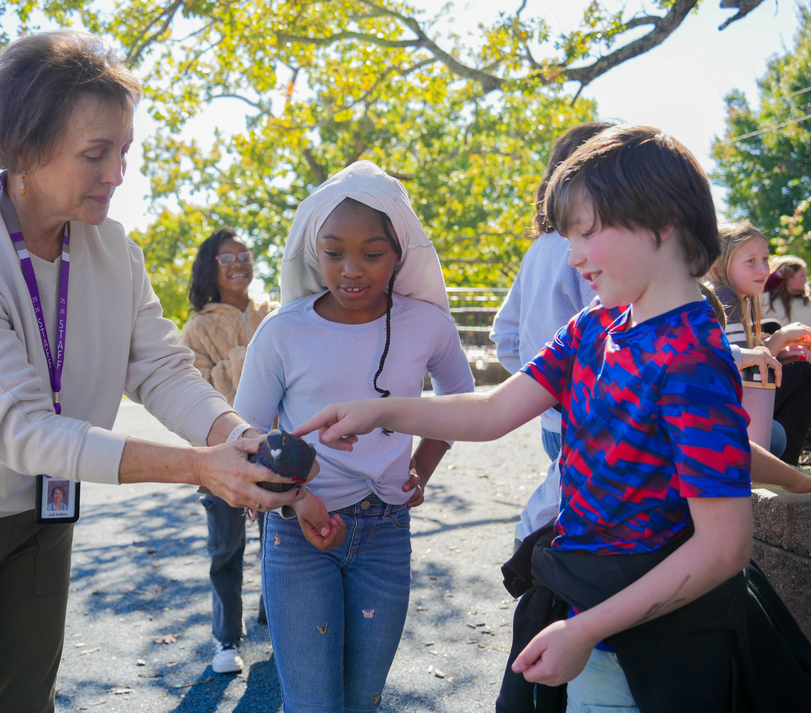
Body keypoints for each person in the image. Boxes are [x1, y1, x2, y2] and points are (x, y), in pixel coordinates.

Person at [0, 31, 306, 713]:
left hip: (36, 510)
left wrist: (239, 436)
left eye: (124, 151)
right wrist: (201, 466)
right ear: (22, 150)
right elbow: (21, 427)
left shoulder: (114, 251)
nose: (118, 173)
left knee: (22, 704)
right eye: (96, 154)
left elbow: (161, 368)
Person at [296, 127, 811, 711]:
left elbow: (724, 548)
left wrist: (588, 630)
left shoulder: (693, 357)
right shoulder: (595, 325)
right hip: (584, 611)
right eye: (570, 237)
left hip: (655, 647)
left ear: (663, 221)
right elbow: (493, 411)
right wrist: (381, 409)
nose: (574, 257)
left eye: (588, 232)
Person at [233, 160, 475, 711]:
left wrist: (423, 467)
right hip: (297, 535)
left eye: (372, 253)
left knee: (362, 700)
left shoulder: (428, 324)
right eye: (334, 251)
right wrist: (297, 500)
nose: (351, 269)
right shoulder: (282, 331)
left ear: (400, 255)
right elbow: (245, 439)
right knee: (314, 704)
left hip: (386, 529)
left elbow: (462, 403)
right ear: (313, 251)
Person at [490, 122, 610, 549]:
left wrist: (536, 385)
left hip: (549, 416)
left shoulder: (537, 249)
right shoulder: (592, 249)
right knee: (582, 520)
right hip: (590, 419)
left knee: (564, 509)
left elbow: (504, 335)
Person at [179, 226, 277, 673]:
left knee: (279, 545)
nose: (239, 262)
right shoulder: (196, 328)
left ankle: (275, 616)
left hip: (275, 450)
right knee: (225, 550)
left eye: (245, 255)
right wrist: (248, 361)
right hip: (221, 453)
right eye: (227, 257)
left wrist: (232, 366)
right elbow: (197, 393)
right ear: (210, 268)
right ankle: (226, 640)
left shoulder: (275, 314)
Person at [706, 223, 811, 464]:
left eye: (765, 259)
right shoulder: (725, 297)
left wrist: (779, 355)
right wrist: (779, 339)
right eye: (751, 261)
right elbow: (741, 370)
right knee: (806, 375)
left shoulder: (744, 297)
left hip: (734, 400)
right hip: (724, 411)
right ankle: (782, 468)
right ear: (720, 265)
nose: (763, 268)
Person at [761, 256, 811, 329]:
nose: (806, 279)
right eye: (802, 276)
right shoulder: (762, 297)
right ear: (788, 277)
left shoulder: (807, 303)